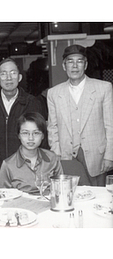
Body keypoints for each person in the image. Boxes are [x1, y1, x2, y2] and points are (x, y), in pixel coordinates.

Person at [47, 44, 113, 186]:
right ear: (64, 66)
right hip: (66, 156)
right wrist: (56, 155)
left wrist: (109, 156)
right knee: (70, 198)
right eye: (70, 61)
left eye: (79, 61)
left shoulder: (104, 88)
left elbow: (110, 125)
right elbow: (53, 127)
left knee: (97, 200)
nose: (75, 66)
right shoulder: (54, 93)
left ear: (86, 64)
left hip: (97, 157)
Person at [0, 57, 46, 173]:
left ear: (19, 77)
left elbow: (41, 135)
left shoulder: (32, 102)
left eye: (13, 73)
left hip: (26, 167)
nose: (9, 78)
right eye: (4, 74)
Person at [0, 112, 62, 193]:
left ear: (43, 135)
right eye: (25, 133)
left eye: (36, 133)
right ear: (18, 135)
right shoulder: (8, 165)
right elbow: (4, 197)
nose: (31, 138)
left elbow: (61, 189)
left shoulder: (52, 158)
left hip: (48, 204)